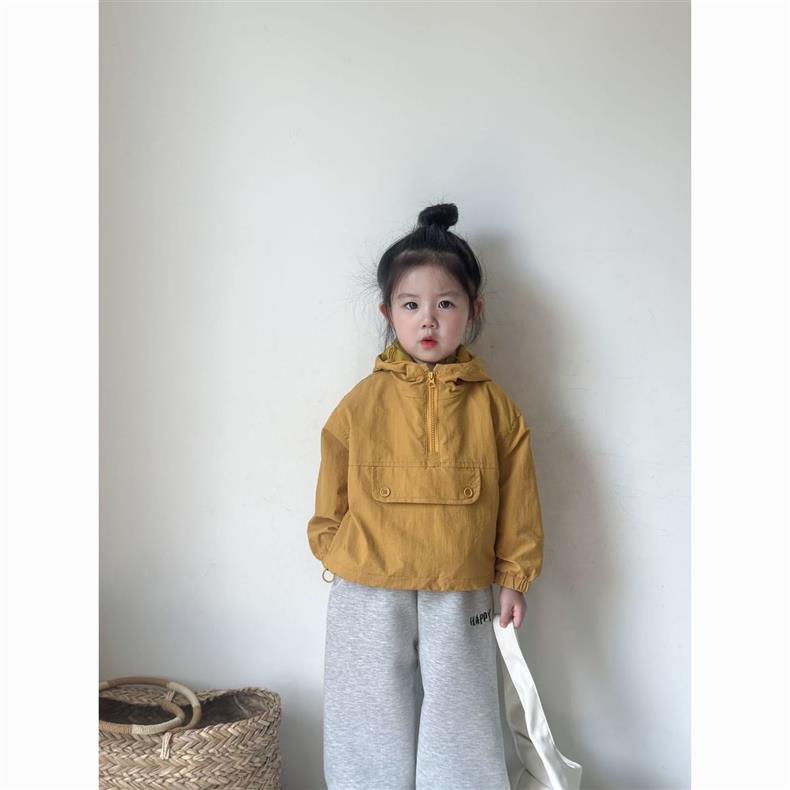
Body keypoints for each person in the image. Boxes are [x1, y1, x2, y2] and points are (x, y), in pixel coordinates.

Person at [307, 202, 544, 790]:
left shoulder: (496, 409)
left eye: (446, 304)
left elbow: (518, 496)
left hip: (460, 585)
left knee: (462, 720)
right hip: (367, 586)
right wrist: (335, 549)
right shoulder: (361, 402)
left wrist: (514, 576)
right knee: (366, 717)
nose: (428, 320)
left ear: (474, 311)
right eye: (411, 305)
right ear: (388, 313)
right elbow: (331, 489)